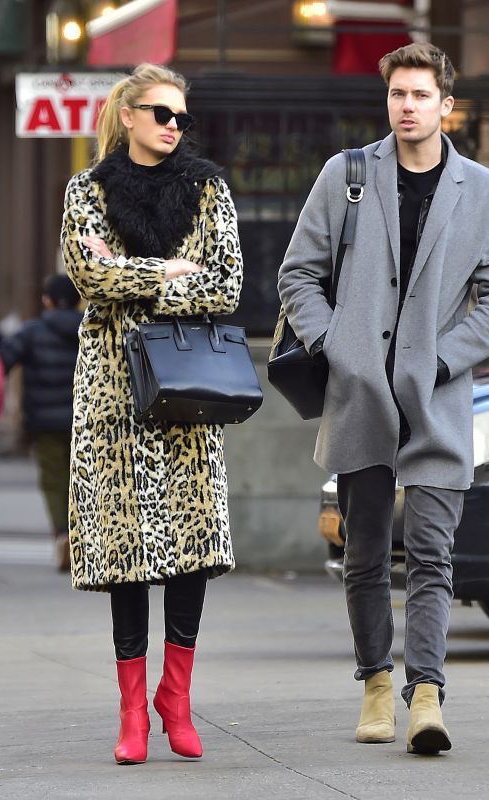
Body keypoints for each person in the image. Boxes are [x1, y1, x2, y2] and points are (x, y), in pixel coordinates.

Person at [278, 42, 489, 755]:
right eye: (397, 94)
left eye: (420, 95)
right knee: (366, 553)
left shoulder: (481, 190)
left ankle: (425, 694)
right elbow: (298, 276)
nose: (407, 106)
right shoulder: (348, 176)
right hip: (360, 397)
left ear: (445, 107)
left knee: (432, 555)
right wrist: (338, 346)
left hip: (438, 404)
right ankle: (375, 683)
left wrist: (441, 361)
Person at [60, 63, 243, 764]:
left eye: (181, 118)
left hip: (191, 387)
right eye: (162, 114)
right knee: (128, 551)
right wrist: (169, 272)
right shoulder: (87, 191)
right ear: (129, 115)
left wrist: (137, 277)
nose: (173, 127)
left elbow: (224, 285)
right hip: (112, 392)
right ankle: (133, 711)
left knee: (191, 545)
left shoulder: (209, 190)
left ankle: (177, 695)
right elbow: (89, 276)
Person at [0, 274, 82, 572]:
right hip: (85, 422)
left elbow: (1, 361)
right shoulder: (90, 328)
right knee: (82, 479)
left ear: (46, 300)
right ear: (78, 300)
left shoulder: (32, 331)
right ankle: (83, 536)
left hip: (44, 421)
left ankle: (62, 535)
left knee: (53, 479)